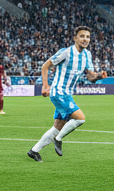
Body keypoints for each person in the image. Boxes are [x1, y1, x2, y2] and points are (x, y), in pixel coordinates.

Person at [27, 26, 106, 162]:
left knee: (58, 126)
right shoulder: (66, 52)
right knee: (80, 118)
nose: (85, 39)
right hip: (58, 92)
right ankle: (58, 139)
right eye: (82, 36)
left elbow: (90, 77)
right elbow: (45, 65)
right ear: (75, 38)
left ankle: (34, 151)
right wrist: (45, 86)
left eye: (87, 37)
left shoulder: (87, 55)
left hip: (68, 94)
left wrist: (99, 76)